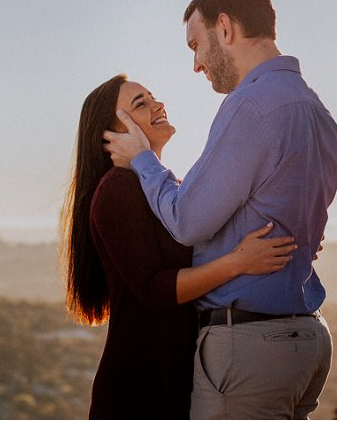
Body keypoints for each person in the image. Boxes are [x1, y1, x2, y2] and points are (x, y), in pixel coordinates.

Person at [103, 0, 337, 419]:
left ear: (226, 28)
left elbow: (189, 221)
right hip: (307, 340)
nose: (196, 64)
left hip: (250, 347)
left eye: (196, 44)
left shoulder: (250, 106)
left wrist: (142, 159)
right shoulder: (317, 112)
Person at [61, 73, 298, 420]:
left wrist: (290, 241)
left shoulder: (167, 190)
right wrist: (237, 262)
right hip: (141, 386)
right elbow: (154, 289)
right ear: (113, 131)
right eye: (140, 104)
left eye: (153, 96)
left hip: (182, 377)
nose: (158, 105)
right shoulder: (118, 189)